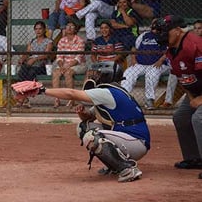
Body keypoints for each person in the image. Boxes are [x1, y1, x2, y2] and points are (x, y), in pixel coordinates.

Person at [18, 61, 149, 182]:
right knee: (83, 128)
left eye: (97, 74)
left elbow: (71, 93)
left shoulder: (108, 92)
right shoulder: (110, 92)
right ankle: (114, 165)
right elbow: (90, 117)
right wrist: (83, 113)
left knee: (91, 136)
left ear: (106, 76)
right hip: (128, 138)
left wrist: (42, 90)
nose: (93, 76)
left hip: (136, 142)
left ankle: (128, 169)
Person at [153, 15, 202, 179]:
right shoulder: (171, 49)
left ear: (178, 31)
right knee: (181, 117)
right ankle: (194, 158)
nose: (161, 35)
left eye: (165, 31)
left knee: (198, 119)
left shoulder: (195, 45)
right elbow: (183, 78)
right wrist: (192, 97)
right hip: (196, 92)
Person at [121, 20, 168, 110]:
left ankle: (149, 99)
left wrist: (161, 60)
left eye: (156, 26)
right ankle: (124, 97)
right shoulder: (144, 35)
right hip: (141, 64)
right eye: (153, 25)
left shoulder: (165, 36)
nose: (154, 27)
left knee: (152, 74)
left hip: (157, 64)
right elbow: (134, 48)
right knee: (129, 72)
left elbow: (168, 51)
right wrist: (134, 59)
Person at [16, 21, 53, 108]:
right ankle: (24, 98)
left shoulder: (48, 41)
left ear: (44, 30)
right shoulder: (32, 41)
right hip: (31, 64)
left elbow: (46, 55)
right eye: (36, 29)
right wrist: (22, 58)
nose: (38, 31)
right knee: (21, 72)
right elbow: (28, 52)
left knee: (30, 73)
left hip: (42, 65)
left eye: (40, 28)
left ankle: (23, 98)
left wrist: (35, 59)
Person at [51, 21, 86, 108]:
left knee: (68, 73)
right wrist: (62, 66)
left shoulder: (80, 40)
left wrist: (67, 66)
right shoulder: (62, 40)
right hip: (63, 65)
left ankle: (71, 99)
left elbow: (78, 58)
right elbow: (59, 57)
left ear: (75, 29)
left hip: (79, 65)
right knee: (56, 73)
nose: (69, 28)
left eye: (72, 26)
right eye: (67, 26)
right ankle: (57, 99)